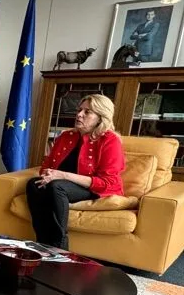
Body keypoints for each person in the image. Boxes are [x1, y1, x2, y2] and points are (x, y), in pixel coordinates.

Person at [26, 94, 125, 250]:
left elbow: (107, 182)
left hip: (94, 188)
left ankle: (60, 247)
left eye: (87, 112)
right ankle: (42, 243)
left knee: (57, 186)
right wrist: (48, 174)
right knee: (34, 184)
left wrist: (62, 175)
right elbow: (47, 166)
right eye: (79, 110)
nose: (79, 114)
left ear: (101, 117)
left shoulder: (110, 140)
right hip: (61, 184)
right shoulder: (66, 136)